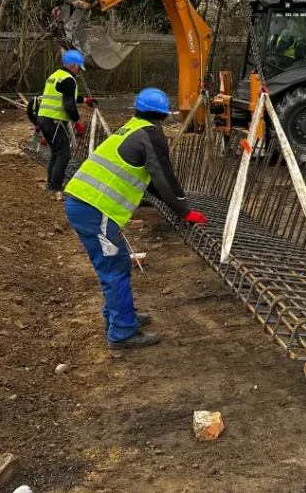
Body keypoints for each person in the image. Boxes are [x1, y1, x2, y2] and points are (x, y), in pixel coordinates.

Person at [62, 87, 208, 349]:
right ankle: (122, 332)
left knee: (112, 266)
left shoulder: (131, 128)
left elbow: (150, 180)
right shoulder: (151, 135)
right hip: (95, 209)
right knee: (114, 268)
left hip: (86, 204)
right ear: (164, 115)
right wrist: (185, 211)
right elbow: (163, 178)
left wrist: (176, 205)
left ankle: (121, 317)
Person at [37, 49, 94, 195]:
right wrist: (77, 121)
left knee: (56, 152)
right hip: (55, 120)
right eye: (79, 67)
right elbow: (68, 103)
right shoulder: (69, 79)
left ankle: (52, 182)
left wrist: (84, 100)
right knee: (64, 154)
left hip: (44, 118)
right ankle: (54, 186)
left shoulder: (55, 76)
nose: (80, 71)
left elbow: (62, 96)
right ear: (73, 65)